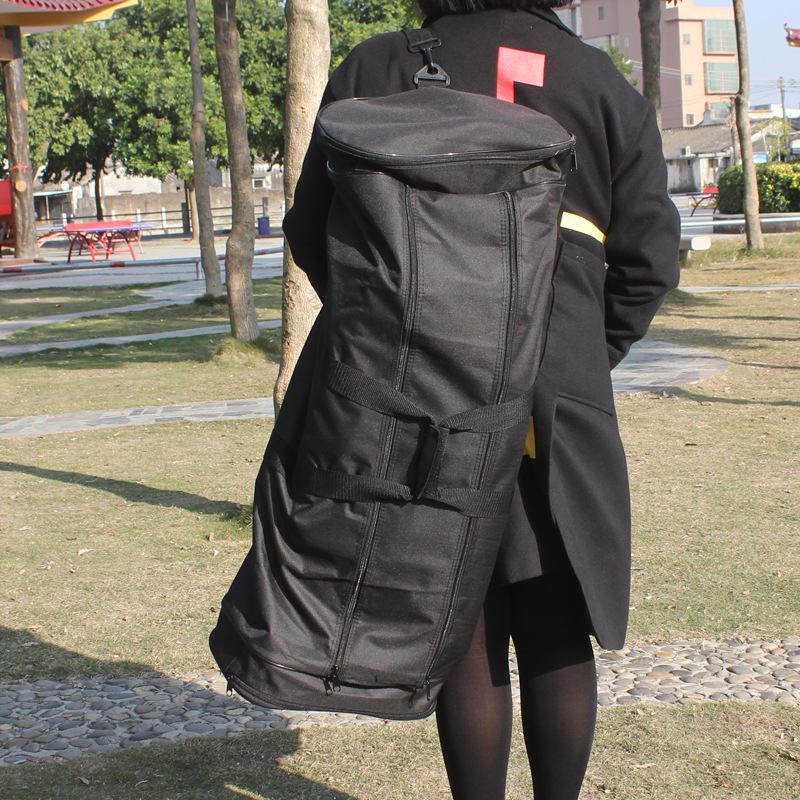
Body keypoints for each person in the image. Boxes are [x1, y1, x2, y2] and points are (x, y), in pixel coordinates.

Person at [283, 1, 681, 798]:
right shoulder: (601, 82)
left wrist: (396, 337)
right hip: (551, 407)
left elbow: (313, 233)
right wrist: (576, 360)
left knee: (461, 622)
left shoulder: (376, 67)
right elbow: (649, 260)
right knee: (555, 624)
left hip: (417, 402)